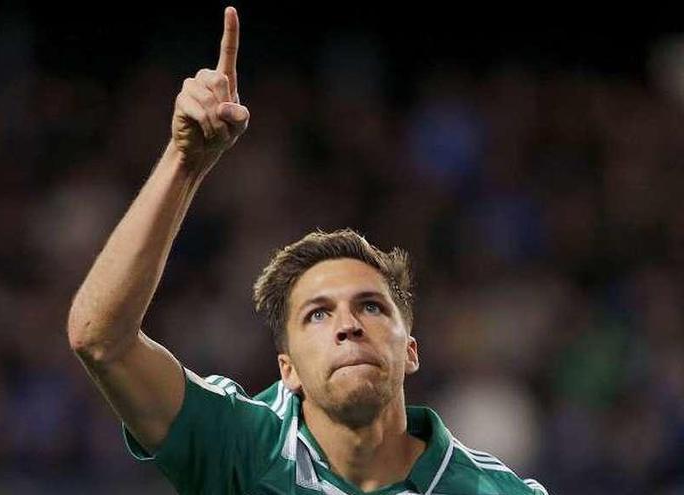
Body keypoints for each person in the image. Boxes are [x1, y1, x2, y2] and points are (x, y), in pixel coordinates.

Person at [67, 6, 548, 494]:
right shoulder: (244, 448)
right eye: (317, 314)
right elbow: (100, 339)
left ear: (411, 350)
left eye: (371, 305)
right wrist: (184, 161)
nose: (348, 325)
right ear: (287, 370)